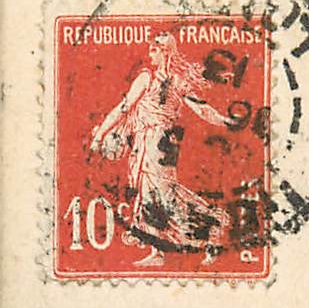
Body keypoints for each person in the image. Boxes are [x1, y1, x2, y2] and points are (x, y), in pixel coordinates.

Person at [88, 32, 240, 266]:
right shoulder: (167, 81)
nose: (150, 52)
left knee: (164, 195)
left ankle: (212, 227)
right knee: (152, 193)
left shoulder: (151, 79)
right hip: (160, 143)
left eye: (155, 49)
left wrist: (100, 135)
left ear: (165, 52)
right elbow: (125, 109)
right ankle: (157, 251)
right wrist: (228, 122)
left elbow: (124, 108)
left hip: (155, 142)